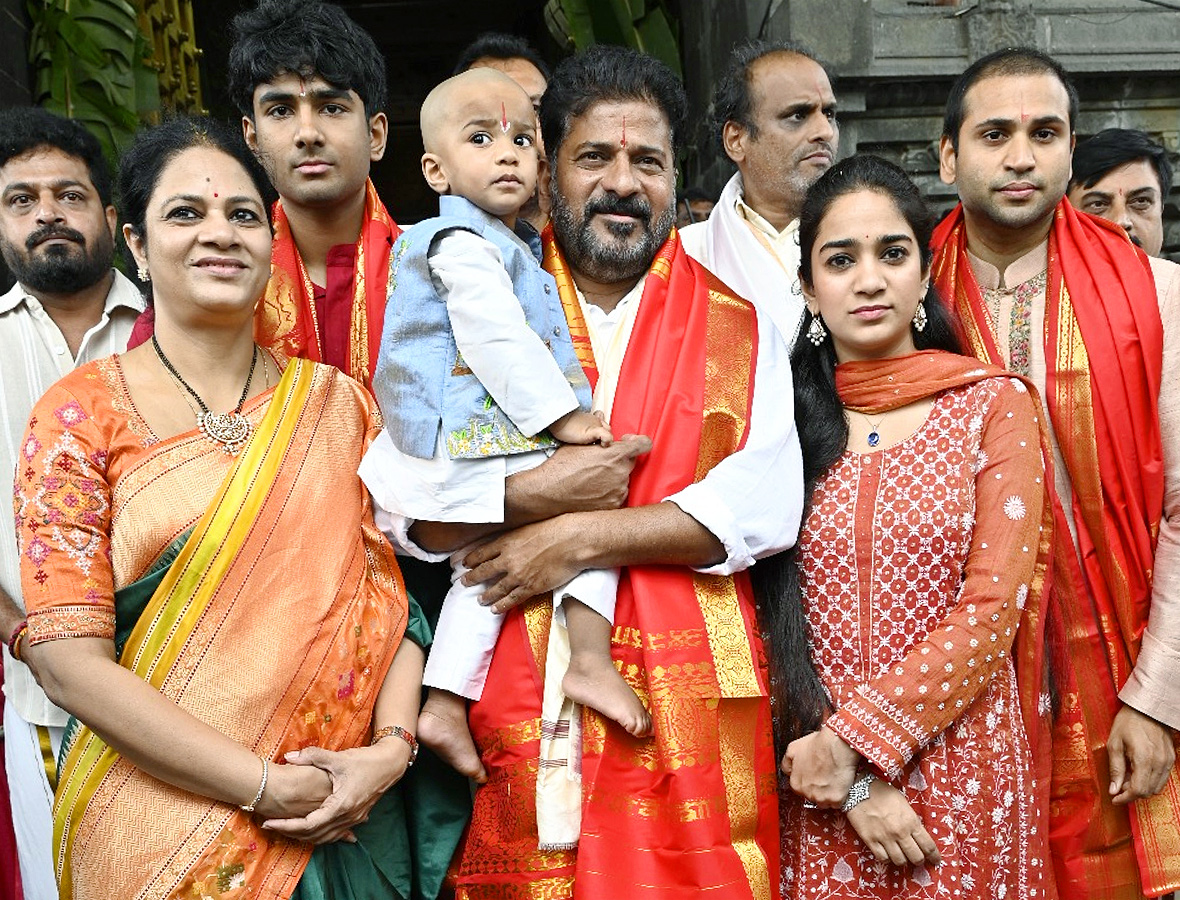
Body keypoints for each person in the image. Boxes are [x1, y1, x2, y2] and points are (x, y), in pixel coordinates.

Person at [387, 45, 803, 898]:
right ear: (546, 174)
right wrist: (536, 494)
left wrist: (574, 538)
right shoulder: (475, 289)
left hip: (687, 705)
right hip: (512, 688)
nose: (623, 183)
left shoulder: (742, 320)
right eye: (594, 158)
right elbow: (400, 498)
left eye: (647, 161)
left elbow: (764, 506)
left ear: (675, 175)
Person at [13, 117, 422, 899]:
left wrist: (390, 751)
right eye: (185, 214)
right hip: (153, 827)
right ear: (134, 243)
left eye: (242, 215)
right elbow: (67, 663)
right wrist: (261, 785)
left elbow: (401, 605)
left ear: (268, 239)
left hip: (341, 812)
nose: (220, 235)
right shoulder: (77, 415)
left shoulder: (339, 406)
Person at [933, 48, 1180, 899]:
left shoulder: (1159, 291)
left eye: (1044, 133)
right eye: (995, 133)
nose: (1021, 156)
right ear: (949, 157)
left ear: (1070, 150)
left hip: (1117, 666)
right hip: (958, 684)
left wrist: (1159, 698)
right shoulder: (896, 293)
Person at [774, 153, 1053, 897]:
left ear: (924, 275)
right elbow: (762, 610)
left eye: (892, 254)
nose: (870, 279)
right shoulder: (777, 424)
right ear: (808, 285)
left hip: (959, 770)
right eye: (841, 259)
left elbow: (993, 609)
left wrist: (856, 744)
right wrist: (850, 781)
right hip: (818, 786)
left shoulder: (993, 407)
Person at [365, 69, 650, 796]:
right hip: (444, 446)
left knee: (480, 569)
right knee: (589, 503)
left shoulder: (509, 241)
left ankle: (444, 702)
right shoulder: (458, 240)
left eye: (523, 138)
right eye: (482, 137)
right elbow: (497, 342)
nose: (508, 154)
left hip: (463, 447)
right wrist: (566, 421)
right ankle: (590, 657)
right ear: (434, 169)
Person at [0, 107, 144, 900]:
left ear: (114, 218)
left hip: (202, 675)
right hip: (45, 695)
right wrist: (26, 641)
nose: (47, 212)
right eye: (22, 200)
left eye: (69, 195)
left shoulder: (176, 324)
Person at [229, 0, 399, 390]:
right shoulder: (218, 278)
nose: (308, 132)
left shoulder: (439, 272)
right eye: (281, 111)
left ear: (375, 135)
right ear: (251, 137)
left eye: (332, 107)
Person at [680, 40, 838, 347]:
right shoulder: (685, 256)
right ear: (737, 139)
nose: (825, 131)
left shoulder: (874, 240)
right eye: (797, 115)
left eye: (829, 114)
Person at [454, 32, 554, 233]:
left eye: (534, 109)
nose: (511, 147)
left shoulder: (592, 248)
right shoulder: (432, 253)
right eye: (486, 114)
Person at [1068, 128, 1173, 257]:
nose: (1121, 222)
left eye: (1141, 201)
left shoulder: (1178, 277)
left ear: (1161, 208)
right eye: (1098, 204)